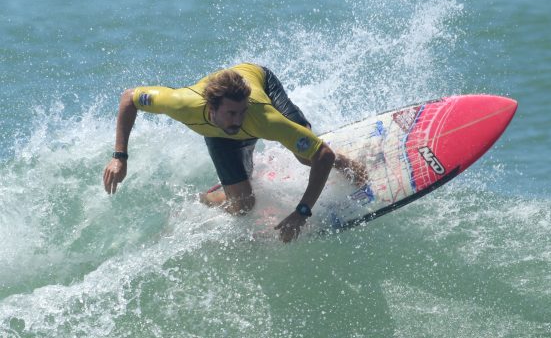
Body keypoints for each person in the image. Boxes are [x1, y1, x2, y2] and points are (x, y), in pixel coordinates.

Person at [103, 63, 365, 242]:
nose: (238, 120)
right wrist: (119, 157)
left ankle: (349, 164)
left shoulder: (261, 116)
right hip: (218, 134)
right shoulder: (181, 103)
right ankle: (206, 198)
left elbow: (324, 156)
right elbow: (129, 98)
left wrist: (302, 212)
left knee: (307, 154)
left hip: (261, 81)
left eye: (241, 112)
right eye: (231, 113)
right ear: (211, 107)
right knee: (242, 206)